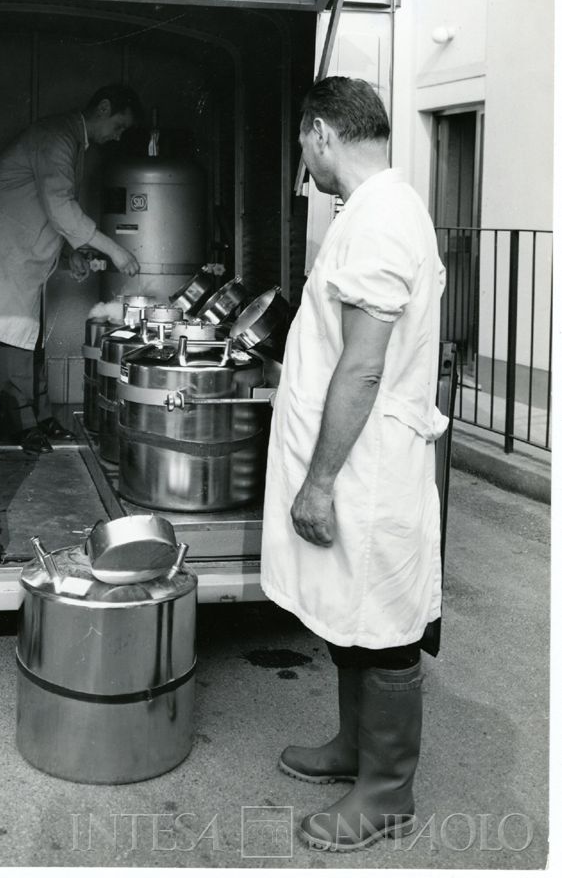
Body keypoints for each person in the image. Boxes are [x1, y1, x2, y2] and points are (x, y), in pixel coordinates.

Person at [261, 76, 447, 852]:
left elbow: (364, 368)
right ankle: (352, 749)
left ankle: (387, 792)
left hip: (366, 472)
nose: (306, 161)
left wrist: (322, 479)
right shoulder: (371, 211)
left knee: (385, 629)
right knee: (350, 617)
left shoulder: (380, 221)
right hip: (356, 461)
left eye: (305, 146)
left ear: (320, 133)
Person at [0, 85, 143, 453]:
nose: (117, 136)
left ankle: (39, 418)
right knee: (13, 329)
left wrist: (67, 254)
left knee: (28, 332)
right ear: (103, 108)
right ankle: (22, 424)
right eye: (119, 125)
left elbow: (49, 206)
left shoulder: (70, 141)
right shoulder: (57, 136)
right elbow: (59, 205)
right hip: (5, 240)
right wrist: (114, 251)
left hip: (19, 240)